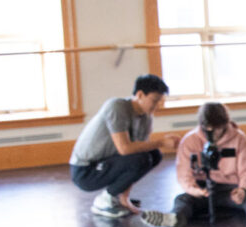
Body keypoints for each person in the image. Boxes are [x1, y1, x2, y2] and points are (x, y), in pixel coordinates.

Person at [140, 102, 246, 227]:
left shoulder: (240, 139)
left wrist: (242, 189)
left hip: (230, 189)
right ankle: (173, 219)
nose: (212, 133)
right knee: (182, 200)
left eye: (217, 128)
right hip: (201, 190)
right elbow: (183, 173)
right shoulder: (190, 141)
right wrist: (195, 190)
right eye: (208, 129)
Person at [69, 74, 180, 219]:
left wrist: (125, 198)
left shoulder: (146, 118)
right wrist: (161, 142)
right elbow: (125, 149)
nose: (157, 105)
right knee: (142, 157)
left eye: (160, 101)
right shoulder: (117, 107)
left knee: (153, 155)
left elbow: (137, 153)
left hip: (107, 163)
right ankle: (104, 201)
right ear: (140, 95)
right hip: (85, 171)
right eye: (154, 100)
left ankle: (118, 197)